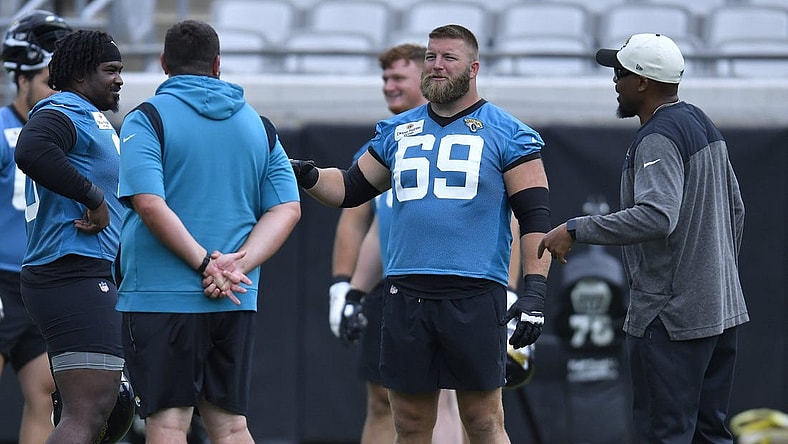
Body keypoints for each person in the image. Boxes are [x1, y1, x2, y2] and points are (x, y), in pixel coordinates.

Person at [291, 24, 551, 444]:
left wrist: (534, 292)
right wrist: (308, 174)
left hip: (475, 292)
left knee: (483, 422)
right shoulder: (397, 131)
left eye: (449, 57)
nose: (437, 65)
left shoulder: (509, 132)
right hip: (406, 292)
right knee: (409, 423)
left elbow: (536, 219)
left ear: (473, 68)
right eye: (431, 56)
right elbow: (351, 189)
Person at [538, 33, 749, 443]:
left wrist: (576, 229)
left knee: (662, 435)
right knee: (711, 434)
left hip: (671, 319)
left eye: (619, 73)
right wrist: (712, 278)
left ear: (642, 82)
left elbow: (656, 217)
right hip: (720, 312)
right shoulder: (701, 122)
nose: (614, 82)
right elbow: (736, 209)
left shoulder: (658, 136)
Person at [115, 19, 300, 444]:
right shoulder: (259, 125)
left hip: (159, 296)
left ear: (164, 63)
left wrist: (205, 263)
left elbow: (148, 202)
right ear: (217, 64)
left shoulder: (146, 119)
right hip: (235, 294)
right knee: (231, 425)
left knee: (167, 424)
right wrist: (237, 266)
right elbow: (287, 208)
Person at [330, 43, 470, 444]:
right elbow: (373, 224)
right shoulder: (384, 142)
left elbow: (509, 222)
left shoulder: (460, 136)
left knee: (444, 401)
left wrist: (514, 292)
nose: (389, 86)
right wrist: (348, 288)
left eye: (398, 77)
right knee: (382, 401)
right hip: (394, 289)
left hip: (449, 285)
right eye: (385, 78)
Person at [13, 28, 126, 443]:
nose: (119, 79)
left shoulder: (91, 116)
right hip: (70, 270)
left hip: (81, 270)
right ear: (80, 74)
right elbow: (31, 150)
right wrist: (93, 197)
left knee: (102, 410)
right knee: (88, 410)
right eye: (110, 69)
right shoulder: (63, 108)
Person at [0, 10, 71, 444]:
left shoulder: (71, 132)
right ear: (21, 78)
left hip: (43, 281)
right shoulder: (2, 128)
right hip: (1, 278)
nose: (56, 94)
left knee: (46, 390)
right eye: (48, 81)